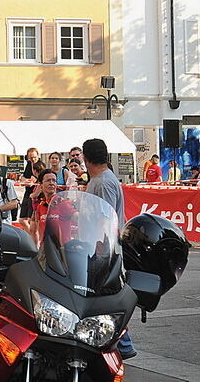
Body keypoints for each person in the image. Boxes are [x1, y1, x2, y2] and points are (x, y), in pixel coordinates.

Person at [82, 138, 134, 357]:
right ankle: (121, 344)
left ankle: (124, 344)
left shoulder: (102, 182)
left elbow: (106, 218)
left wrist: (101, 251)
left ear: (85, 158)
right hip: (100, 247)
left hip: (102, 249)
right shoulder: (101, 179)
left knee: (102, 299)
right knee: (100, 299)